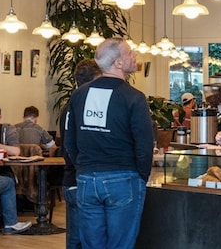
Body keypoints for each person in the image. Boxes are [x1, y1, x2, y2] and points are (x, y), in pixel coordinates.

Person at [64, 37, 154, 249]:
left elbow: (69, 141)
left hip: (86, 180)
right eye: (130, 53)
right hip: (123, 178)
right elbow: (144, 144)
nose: (135, 56)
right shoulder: (134, 97)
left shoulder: (78, 95)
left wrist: (84, 167)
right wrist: (141, 176)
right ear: (118, 63)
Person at [60, 58, 101, 249]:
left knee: (75, 239)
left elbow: (68, 144)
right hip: (84, 179)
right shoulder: (89, 107)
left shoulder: (67, 108)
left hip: (71, 181)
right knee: (90, 240)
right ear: (95, 79)